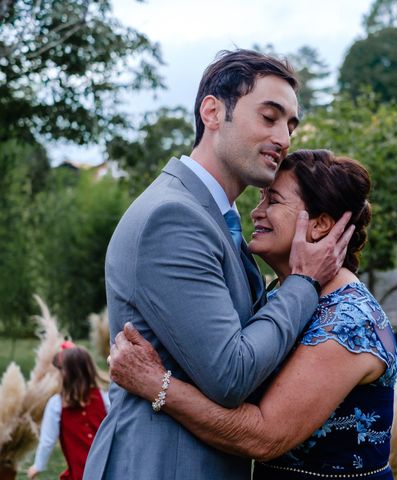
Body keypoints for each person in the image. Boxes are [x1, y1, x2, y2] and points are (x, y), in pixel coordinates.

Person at [84, 50, 353, 480]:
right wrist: (303, 282)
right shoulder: (172, 217)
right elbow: (231, 374)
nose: (284, 137)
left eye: (290, 125)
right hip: (161, 466)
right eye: (269, 117)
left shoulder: (215, 217)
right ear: (212, 111)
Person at [109, 150, 397, 479]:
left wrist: (157, 385)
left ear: (320, 225)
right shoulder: (279, 296)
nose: (256, 212)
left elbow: (264, 437)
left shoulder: (349, 321)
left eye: (272, 200)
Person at [27, 343, 109, 480]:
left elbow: (47, 441)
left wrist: (38, 466)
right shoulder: (104, 396)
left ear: (68, 374)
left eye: (59, 370)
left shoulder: (56, 405)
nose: (57, 375)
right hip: (106, 472)